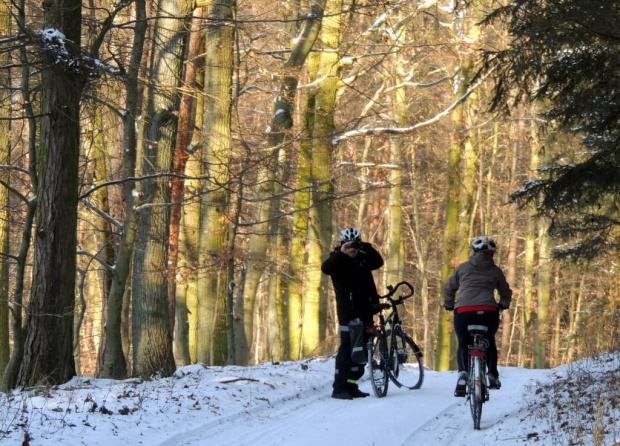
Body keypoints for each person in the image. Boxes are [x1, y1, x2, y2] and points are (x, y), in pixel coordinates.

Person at [443, 235, 512, 397]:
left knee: (463, 343)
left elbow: (449, 288)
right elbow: (505, 292)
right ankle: (492, 376)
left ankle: (463, 375)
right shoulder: (496, 271)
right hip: (488, 311)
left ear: (474, 251)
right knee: (489, 342)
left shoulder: (462, 268)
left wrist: (449, 304)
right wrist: (503, 304)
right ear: (492, 254)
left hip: (464, 312)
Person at [321, 227, 384, 400]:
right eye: (349, 245)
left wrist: (365, 246)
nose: (352, 249)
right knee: (347, 350)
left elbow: (378, 262)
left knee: (361, 350)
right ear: (342, 245)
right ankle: (339, 387)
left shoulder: (363, 259)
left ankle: (352, 384)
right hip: (348, 313)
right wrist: (342, 252)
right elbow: (325, 268)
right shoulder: (338, 261)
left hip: (366, 310)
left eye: (354, 245)